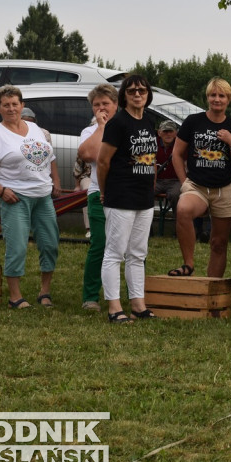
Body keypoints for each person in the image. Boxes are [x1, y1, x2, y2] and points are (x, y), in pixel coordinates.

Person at [0, 85, 62, 310]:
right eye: (6, 105)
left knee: (50, 244)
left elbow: (50, 156)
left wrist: (56, 183)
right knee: (17, 246)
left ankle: (45, 291)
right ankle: (15, 296)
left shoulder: (35, 129)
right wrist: (1, 190)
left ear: (22, 106)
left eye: (15, 104)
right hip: (14, 197)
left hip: (43, 196)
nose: (11, 108)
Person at [169, 77, 231, 278]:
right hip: (197, 186)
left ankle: (212, 288)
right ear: (207, 97)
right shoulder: (194, 122)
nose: (217, 99)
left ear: (228, 99)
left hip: (225, 188)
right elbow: (176, 154)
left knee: (219, 243)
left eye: (222, 96)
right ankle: (188, 264)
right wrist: (184, 181)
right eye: (213, 95)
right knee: (183, 210)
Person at [97, 76, 158, 323]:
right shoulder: (117, 123)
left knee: (138, 253)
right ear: (124, 95)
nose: (137, 94)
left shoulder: (148, 120)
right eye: (132, 90)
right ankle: (114, 307)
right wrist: (104, 192)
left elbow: (151, 159)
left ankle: (138, 304)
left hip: (144, 198)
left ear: (148, 94)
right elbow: (103, 161)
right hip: (120, 196)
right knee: (115, 253)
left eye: (142, 90)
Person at [76, 83, 119, 312]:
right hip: (98, 193)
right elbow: (89, 154)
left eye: (106, 104)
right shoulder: (89, 131)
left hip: (126, 194)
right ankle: (90, 296)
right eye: (97, 104)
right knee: (99, 244)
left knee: (131, 247)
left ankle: (133, 294)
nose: (101, 108)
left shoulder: (127, 126)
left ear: (116, 105)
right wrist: (102, 127)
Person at [154, 121, 182, 213]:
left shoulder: (181, 144)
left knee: (175, 195)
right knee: (145, 192)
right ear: (159, 133)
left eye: (171, 131)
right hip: (156, 180)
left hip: (175, 181)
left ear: (176, 133)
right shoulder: (152, 143)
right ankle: (147, 225)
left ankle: (179, 223)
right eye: (165, 131)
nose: (168, 134)